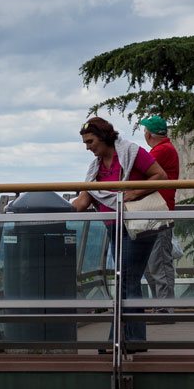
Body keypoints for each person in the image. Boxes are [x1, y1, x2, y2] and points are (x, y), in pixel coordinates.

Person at [72, 117, 168, 351]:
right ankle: (127, 338)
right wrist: (53, 208)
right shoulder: (96, 167)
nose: (88, 147)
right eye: (85, 143)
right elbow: (85, 200)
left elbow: (160, 175)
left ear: (104, 137)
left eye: (90, 141)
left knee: (126, 278)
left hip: (138, 224)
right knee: (125, 279)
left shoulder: (131, 153)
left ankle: (127, 339)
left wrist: (133, 193)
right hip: (114, 226)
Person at [139, 115, 179, 315]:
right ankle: (161, 306)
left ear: (149, 134)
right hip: (156, 211)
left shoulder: (162, 150)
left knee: (159, 262)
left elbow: (139, 171)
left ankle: (164, 308)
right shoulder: (165, 149)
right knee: (153, 262)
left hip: (159, 212)